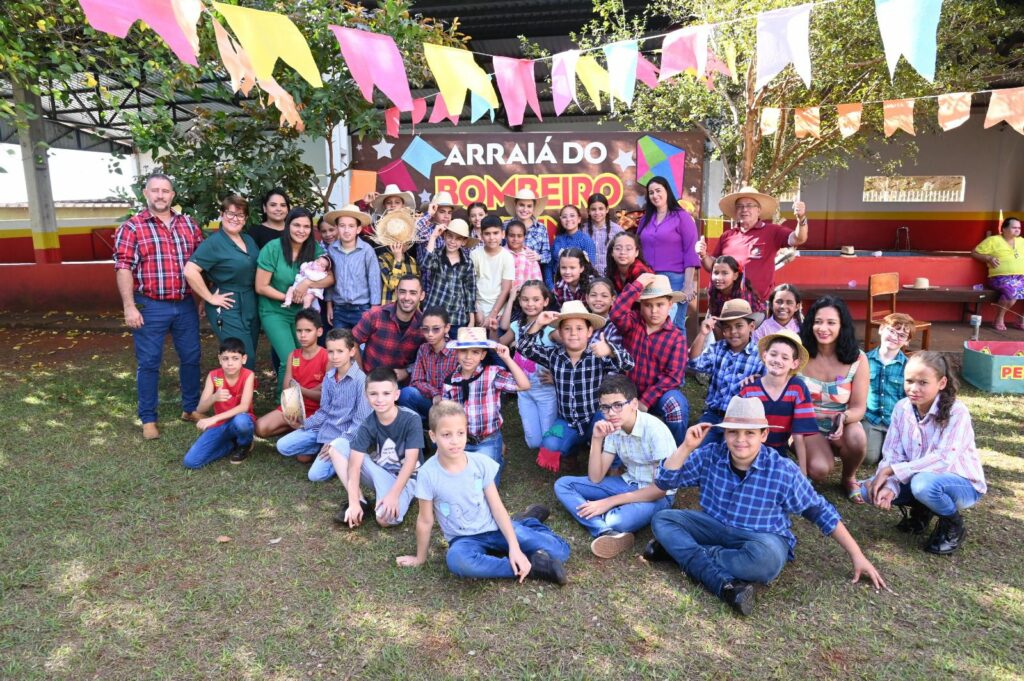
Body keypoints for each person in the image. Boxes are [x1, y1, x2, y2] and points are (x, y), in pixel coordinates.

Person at [647, 397, 887, 616]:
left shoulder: (782, 470)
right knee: (663, 519)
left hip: (760, 538)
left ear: (764, 435)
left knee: (766, 561)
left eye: (749, 433)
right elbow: (665, 481)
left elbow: (820, 511)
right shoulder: (710, 454)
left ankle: (681, 553)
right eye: (733, 432)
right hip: (714, 526)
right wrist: (686, 447)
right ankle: (715, 577)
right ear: (725, 434)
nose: (740, 440)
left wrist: (857, 555)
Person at [396, 401, 570, 585]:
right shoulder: (427, 474)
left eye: (460, 433)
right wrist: (420, 558)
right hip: (463, 539)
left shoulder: (480, 463)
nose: (455, 440)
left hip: (495, 527)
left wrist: (514, 547)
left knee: (560, 552)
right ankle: (534, 567)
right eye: (446, 435)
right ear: (433, 436)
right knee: (457, 561)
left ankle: (528, 522)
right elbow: (425, 520)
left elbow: (497, 507)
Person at [861, 353, 985, 555]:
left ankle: (953, 524)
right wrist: (890, 485)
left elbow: (943, 459)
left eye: (923, 382)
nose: (914, 388)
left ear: (942, 383)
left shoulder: (957, 411)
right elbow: (892, 453)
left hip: (962, 485)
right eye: (909, 381)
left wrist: (892, 471)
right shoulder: (901, 408)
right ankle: (922, 510)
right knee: (869, 490)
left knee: (923, 484)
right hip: (919, 479)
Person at [114, 173, 204, 440]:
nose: (161, 195)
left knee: (191, 357)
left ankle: (190, 408)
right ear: (146, 194)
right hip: (150, 305)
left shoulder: (189, 225)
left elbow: (202, 263)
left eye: (165, 191)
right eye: (155, 190)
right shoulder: (132, 227)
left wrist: (203, 297)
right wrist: (129, 306)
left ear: (172, 195)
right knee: (149, 362)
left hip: (185, 304)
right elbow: (123, 267)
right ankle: (148, 418)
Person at [554, 376, 676, 558]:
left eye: (618, 405)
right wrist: (596, 439)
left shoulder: (655, 431)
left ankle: (608, 524)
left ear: (634, 404)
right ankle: (604, 530)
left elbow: (660, 490)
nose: (611, 413)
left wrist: (609, 502)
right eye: (605, 407)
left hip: (658, 495)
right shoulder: (614, 427)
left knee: (616, 520)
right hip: (628, 483)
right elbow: (596, 477)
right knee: (563, 484)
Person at [519, 301, 634, 473]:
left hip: (595, 416)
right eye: (567, 329)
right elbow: (523, 347)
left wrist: (610, 350)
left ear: (589, 331)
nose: (573, 333)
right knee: (550, 444)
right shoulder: (553, 355)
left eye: (579, 328)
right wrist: (538, 323)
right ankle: (571, 452)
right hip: (568, 420)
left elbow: (629, 364)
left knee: (611, 428)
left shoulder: (597, 355)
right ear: (559, 332)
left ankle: (613, 466)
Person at [331, 367, 424, 528]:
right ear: (366, 396)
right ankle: (360, 501)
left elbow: (410, 462)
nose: (380, 399)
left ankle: (403, 496)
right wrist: (353, 502)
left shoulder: (411, 419)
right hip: (382, 472)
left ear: (396, 395)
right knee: (337, 446)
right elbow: (354, 466)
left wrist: (393, 496)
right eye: (373, 394)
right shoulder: (367, 424)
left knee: (384, 520)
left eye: (386, 393)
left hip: (407, 478)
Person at [276, 328, 372, 482]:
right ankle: (319, 446)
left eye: (340, 351)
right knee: (282, 445)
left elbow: (360, 423)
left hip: (344, 436)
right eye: (331, 351)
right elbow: (324, 411)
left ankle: (342, 456)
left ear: (352, 351)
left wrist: (337, 444)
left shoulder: (361, 381)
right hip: (324, 428)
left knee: (315, 475)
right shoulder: (329, 377)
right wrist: (303, 424)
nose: (335, 356)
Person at [255, 207, 333, 393]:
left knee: (302, 358)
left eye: (306, 226)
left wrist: (307, 283)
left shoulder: (313, 249)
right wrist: (291, 297)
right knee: (289, 358)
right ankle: (284, 402)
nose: (301, 230)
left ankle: (301, 398)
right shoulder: (273, 248)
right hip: (275, 311)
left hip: (301, 314)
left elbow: (330, 278)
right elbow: (261, 286)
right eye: (297, 225)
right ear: (287, 225)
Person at [799, 296, 869, 502]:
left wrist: (843, 418)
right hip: (805, 424)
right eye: (818, 322)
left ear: (842, 326)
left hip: (840, 422)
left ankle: (849, 477)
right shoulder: (799, 353)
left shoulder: (858, 358)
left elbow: (859, 408)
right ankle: (813, 456)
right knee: (819, 470)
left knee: (857, 438)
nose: (823, 328)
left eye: (831, 322)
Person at [609, 272, 689, 446]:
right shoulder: (633, 322)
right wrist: (637, 286)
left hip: (659, 394)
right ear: (640, 306)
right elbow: (616, 313)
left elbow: (673, 377)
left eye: (660, 305)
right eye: (648, 305)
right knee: (611, 403)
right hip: (629, 390)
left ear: (670, 305)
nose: (654, 311)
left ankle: (676, 451)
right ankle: (620, 451)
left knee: (675, 406)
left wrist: (646, 401)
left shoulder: (676, 337)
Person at [442, 327, 531, 482]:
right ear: (456, 352)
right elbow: (445, 416)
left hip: (487, 440)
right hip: (461, 442)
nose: (468, 357)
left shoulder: (492, 373)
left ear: (483, 355)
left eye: (475, 352)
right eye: (463, 351)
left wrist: (507, 359)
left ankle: (497, 457)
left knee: (484, 485)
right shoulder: (451, 381)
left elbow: (524, 385)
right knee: (461, 483)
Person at [184, 194, 260, 369]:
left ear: (245, 219)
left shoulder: (248, 240)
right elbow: (190, 271)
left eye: (240, 215)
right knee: (240, 356)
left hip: (250, 300)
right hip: (227, 303)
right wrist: (209, 298)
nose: (235, 219)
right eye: (230, 213)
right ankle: (236, 388)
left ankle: (245, 387)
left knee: (249, 354)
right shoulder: (214, 243)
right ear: (222, 215)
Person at [699, 186, 809, 300]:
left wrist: (801, 219)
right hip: (726, 303)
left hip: (758, 303)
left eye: (749, 205)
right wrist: (703, 255)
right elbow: (713, 267)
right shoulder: (727, 236)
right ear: (736, 211)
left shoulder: (772, 231)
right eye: (740, 206)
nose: (744, 209)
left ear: (758, 210)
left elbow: (799, 239)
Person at [738, 330, 820, 472]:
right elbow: (739, 428)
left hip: (778, 450)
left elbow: (798, 434)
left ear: (794, 363)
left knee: (780, 476)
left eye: (785, 357)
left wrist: (803, 472)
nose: (777, 360)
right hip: (749, 450)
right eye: (773, 354)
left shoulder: (797, 388)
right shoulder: (749, 389)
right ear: (765, 356)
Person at [688, 299, 766, 445]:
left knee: (731, 449)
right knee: (700, 447)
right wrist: (702, 334)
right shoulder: (718, 348)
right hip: (713, 415)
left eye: (739, 326)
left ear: (751, 327)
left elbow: (769, 385)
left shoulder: (760, 356)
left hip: (741, 419)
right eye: (728, 327)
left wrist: (760, 379)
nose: (733, 332)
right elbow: (695, 363)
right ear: (723, 330)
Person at [499, 281, 558, 452]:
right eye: (525, 299)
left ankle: (562, 429)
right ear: (519, 301)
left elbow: (569, 353)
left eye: (536, 299)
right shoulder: (517, 326)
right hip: (524, 392)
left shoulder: (551, 329)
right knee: (534, 443)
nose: (530, 304)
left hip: (545, 391)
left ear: (545, 301)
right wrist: (494, 331)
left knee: (548, 440)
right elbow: (500, 345)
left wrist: (556, 377)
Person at [636, 176, 701, 330]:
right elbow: (637, 246)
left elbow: (690, 252)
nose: (655, 195)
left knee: (675, 325)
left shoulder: (682, 217)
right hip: (649, 278)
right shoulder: (645, 219)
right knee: (649, 325)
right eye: (651, 192)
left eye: (658, 190)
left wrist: (688, 285)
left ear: (667, 191)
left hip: (675, 280)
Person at [182, 337, 256, 468]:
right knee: (191, 462)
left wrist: (213, 418)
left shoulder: (248, 375)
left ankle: (244, 444)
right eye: (225, 358)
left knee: (241, 421)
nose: (230, 363)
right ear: (219, 359)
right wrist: (213, 398)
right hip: (220, 424)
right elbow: (200, 409)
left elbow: (244, 407)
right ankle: (232, 445)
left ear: (243, 359)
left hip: (240, 419)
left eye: (235, 358)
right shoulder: (213, 376)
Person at [254, 309, 327, 439]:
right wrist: (294, 409)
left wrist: (300, 389)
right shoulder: (293, 356)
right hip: (293, 406)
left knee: (304, 454)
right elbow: (287, 388)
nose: (303, 335)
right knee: (260, 428)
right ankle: (295, 428)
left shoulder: (327, 356)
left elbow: (326, 396)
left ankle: (301, 429)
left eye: (308, 331)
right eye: (299, 331)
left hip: (317, 412)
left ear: (319, 331)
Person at [864, 313, 915, 466]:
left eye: (902, 335)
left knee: (896, 458)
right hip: (870, 419)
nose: (894, 337)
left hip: (895, 423)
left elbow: (909, 400)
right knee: (869, 458)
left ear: (907, 341)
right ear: (881, 329)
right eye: (891, 331)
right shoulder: (864, 360)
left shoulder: (909, 366)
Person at [351, 273, 424, 380]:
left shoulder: (424, 325)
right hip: (371, 380)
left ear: (421, 296)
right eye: (402, 292)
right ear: (396, 292)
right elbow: (352, 342)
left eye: (413, 293)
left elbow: (428, 357)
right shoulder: (375, 315)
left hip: (401, 384)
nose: (407, 297)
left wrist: (408, 370)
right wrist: (361, 377)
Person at [324, 204, 381, 330]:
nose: (346, 230)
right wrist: (329, 305)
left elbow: (374, 279)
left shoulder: (366, 250)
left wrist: (375, 307)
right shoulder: (332, 249)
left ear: (358, 229)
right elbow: (329, 278)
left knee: (361, 342)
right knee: (339, 340)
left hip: (362, 308)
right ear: (336, 228)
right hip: (339, 309)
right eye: (342, 226)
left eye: (351, 226)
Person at [398, 306, 458, 421]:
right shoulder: (423, 349)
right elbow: (416, 380)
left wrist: (442, 397)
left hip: (451, 405)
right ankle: (418, 427)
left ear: (447, 328)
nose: (430, 334)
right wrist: (434, 393)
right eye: (425, 329)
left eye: (436, 329)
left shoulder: (456, 351)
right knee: (406, 393)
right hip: (430, 401)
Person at [422, 218, 477, 336]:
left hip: (457, 318)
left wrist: (472, 319)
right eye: (450, 236)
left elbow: (470, 292)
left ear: (464, 242)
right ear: (444, 236)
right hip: (434, 314)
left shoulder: (467, 263)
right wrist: (433, 237)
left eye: (458, 238)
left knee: (454, 347)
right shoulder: (437, 255)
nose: (453, 241)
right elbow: (426, 264)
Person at [971, 216, 1023, 330]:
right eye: (1014, 227)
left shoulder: (1021, 241)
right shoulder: (993, 240)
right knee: (1011, 292)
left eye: (1019, 228)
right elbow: (974, 253)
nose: (1017, 230)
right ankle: (999, 319)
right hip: (1000, 278)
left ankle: (1021, 320)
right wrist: (988, 258)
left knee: (1014, 289)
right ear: (1004, 228)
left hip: (1020, 278)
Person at [471, 216, 515, 340]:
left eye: (495, 233)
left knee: (495, 349)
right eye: (487, 234)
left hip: (498, 314)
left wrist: (492, 315)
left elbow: (505, 290)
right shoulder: (475, 254)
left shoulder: (507, 257)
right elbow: (470, 286)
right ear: (481, 236)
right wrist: (476, 310)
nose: (492, 238)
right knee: (477, 349)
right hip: (477, 312)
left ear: (503, 234)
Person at [503, 188, 551, 286]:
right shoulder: (505, 225)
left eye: (529, 206)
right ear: (515, 205)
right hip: (508, 276)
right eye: (521, 205)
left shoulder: (541, 228)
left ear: (533, 208)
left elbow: (547, 255)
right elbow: (499, 250)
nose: (525, 210)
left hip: (532, 276)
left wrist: (539, 257)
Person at [707, 255, 762, 319]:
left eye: (724, 273)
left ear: (735, 276)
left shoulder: (742, 294)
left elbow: (743, 321)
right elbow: (714, 314)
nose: (718, 278)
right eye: (716, 273)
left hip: (751, 320)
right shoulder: (713, 290)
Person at [583, 193, 622, 276]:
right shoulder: (583, 231)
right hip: (588, 277)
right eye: (593, 209)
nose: (597, 212)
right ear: (588, 211)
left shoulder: (617, 231)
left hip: (611, 277)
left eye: (601, 209)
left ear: (607, 209)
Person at [415, 190, 456, 264]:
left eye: (449, 213)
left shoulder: (453, 233)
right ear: (434, 212)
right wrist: (429, 214)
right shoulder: (426, 230)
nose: (446, 216)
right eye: (442, 212)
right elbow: (415, 231)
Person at [505, 219, 543, 292]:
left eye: (519, 236)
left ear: (524, 237)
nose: (515, 239)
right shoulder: (501, 254)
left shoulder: (530, 255)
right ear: (505, 236)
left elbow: (538, 283)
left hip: (526, 297)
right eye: (512, 235)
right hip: (503, 296)